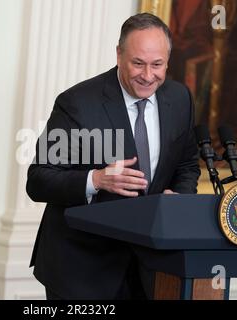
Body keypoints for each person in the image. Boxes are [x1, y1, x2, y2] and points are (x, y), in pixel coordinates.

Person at [26, 13, 200, 300]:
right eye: (137, 63)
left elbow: (186, 164)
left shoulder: (180, 98)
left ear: (168, 60)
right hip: (83, 271)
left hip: (151, 268)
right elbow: (39, 179)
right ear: (119, 55)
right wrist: (96, 179)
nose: (148, 75)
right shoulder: (77, 103)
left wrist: (178, 198)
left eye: (157, 65)